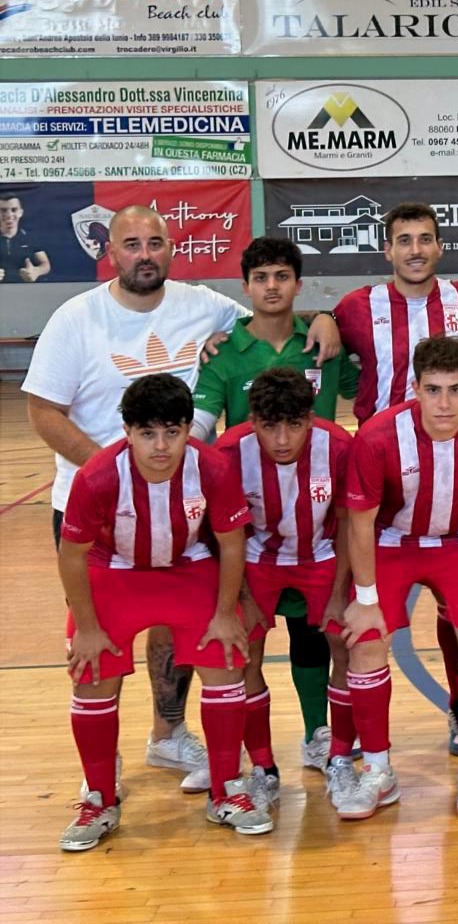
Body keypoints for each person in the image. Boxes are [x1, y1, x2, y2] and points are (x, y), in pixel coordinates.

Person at [23, 206, 340, 793]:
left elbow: (270, 315)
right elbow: (43, 410)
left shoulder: (206, 307)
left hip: (182, 508)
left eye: (155, 243)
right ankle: (101, 767)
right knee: (99, 636)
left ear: (171, 248)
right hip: (93, 505)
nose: (144, 254)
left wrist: (323, 319)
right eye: (131, 244)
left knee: (172, 627)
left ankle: (167, 733)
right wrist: (116, 475)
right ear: (110, 253)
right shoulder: (75, 318)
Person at [57, 374, 272, 851]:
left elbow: (231, 545)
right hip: (114, 570)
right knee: (91, 670)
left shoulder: (211, 468)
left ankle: (226, 790)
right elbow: (71, 555)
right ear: (127, 432)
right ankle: (99, 798)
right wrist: (86, 628)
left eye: (172, 432)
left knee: (225, 657)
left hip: (187, 567)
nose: (161, 446)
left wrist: (225, 613)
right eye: (148, 433)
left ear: (188, 429)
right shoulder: (97, 475)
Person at [332, 202, 458, 757]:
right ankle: (347, 741)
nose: (415, 249)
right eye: (404, 240)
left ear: (439, 247)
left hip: (454, 485)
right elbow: (323, 339)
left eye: (425, 239)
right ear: (387, 250)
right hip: (380, 486)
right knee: (353, 618)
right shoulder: (356, 308)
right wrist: (320, 318)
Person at [338, 336, 458, 818]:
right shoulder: (378, 436)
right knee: (365, 642)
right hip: (391, 542)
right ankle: (378, 771)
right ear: (416, 389)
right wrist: (365, 599)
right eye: (434, 390)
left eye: (456, 390)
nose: (444, 403)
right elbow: (360, 522)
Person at [192, 237, 361, 769]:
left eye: (281, 276)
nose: (271, 287)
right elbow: (198, 429)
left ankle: (318, 735)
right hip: (255, 523)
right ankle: (249, 757)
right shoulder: (224, 352)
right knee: (242, 642)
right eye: (261, 278)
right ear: (245, 287)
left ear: (298, 284)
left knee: (316, 637)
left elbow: (374, 387)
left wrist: (329, 319)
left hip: (318, 522)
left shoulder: (322, 343)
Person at [215, 368, 354, 812]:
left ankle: (339, 757)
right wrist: (243, 598)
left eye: (293, 425)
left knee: (347, 645)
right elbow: (224, 536)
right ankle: (262, 768)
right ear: (252, 421)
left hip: (322, 554)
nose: (281, 439)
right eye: (269, 426)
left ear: (310, 419)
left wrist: (340, 593)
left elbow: (349, 524)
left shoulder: (338, 446)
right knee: (243, 655)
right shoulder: (228, 453)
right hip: (256, 559)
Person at [0, 193, 50, 283]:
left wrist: (36, 271)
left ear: (20, 212)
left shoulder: (30, 238)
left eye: (14, 210)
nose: (9, 215)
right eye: (3, 210)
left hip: (25, 289)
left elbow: (45, 264)